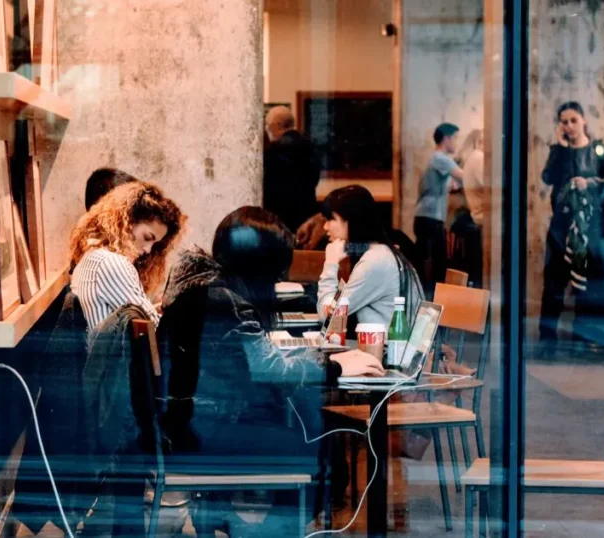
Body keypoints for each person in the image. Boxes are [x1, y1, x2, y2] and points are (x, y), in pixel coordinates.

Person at [160, 207, 385, 532]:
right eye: (279, 263)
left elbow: (254, 366)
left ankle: (237, 519)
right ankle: (260, 528)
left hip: (194, 424)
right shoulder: (224, 300)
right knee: (327, 457)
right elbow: (269, 370)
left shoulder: (205, 289)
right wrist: (335, 363)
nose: (281, 274)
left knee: (311, 429)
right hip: (205, 432)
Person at [539, 101, 604, 354]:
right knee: (554, 284)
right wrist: (560, 147)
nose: (569, 126)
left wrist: (591, 182)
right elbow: (547, 177)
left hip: (589, 228)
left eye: (573, 120)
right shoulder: (559, 150)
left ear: (583, 121)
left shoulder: (597, 149)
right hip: (561, 228)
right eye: (564, 121)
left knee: (585, 287)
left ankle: (582, 339)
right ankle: (548, 341)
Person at [68, 181, 185, 330]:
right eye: (148, 237)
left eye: (154, 244)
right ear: (127, 222)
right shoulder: (110, 263)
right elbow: (153, 329)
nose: (148, 250)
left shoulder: (94, 256)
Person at [318, 186, 425, 329]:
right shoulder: (379, 252)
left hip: (388, 349)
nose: (325, 227)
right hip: (384, 345)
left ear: (351, 220)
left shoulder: (375, 261)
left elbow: (327, 317)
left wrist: (330, 264)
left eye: (331, 219)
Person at [414, 123, 466, 297]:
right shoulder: (441, 158)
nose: (456, 143)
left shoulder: (436, 159)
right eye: (455, 138)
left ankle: (427, 298)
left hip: (426, 217)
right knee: (437, 262)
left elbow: (449, 184)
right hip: (430, 217)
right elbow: (464, 177)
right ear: (447, 138)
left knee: (429, 260)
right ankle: (433, 301)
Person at [263, 106, 322, 232]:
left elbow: (270, 188)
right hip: (307, 214)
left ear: (277, 125)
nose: (267, 131)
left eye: (268, 126)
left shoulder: (274, 151)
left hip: (281, 218)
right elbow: (314, 178)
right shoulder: (311, 146)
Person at [448, 128, 485, 288]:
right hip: (482, 218)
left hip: (475, 215)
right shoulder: (479, 158)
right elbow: (493, 189)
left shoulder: (472, 158)